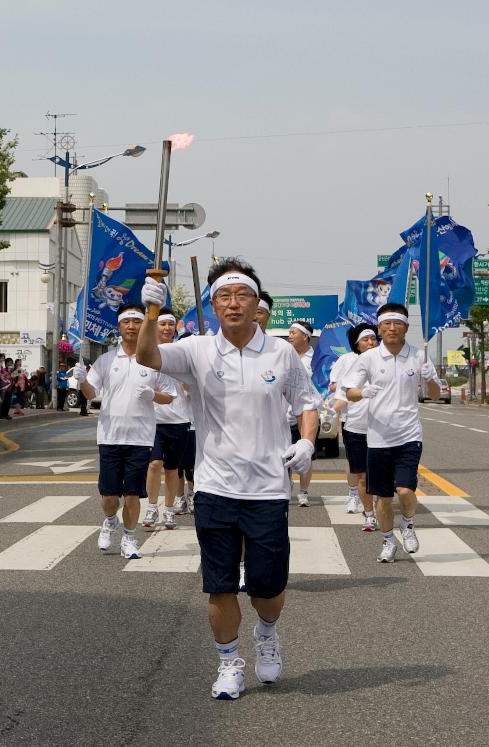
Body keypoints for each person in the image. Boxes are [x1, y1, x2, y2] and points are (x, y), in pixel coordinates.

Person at [138, 259, 320, 700]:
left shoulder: (281, 353)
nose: (234, 304)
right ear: (214, 305)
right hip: (216, 487)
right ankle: (228, 663)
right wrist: (149, 312)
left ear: (257, 305)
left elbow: (306, 403)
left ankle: (267, 631)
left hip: (267, 489)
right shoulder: (197, 350)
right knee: (219, 586)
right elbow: (147, 356)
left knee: (268, 588)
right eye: (224, 297)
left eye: (242, 296)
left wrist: (308, 441)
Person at [75, 303, 175, 560]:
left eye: (136, 321)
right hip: (110, 437)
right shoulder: (106, 360)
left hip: (140, 438)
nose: (131, 326)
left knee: (132, 494)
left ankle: (129, 538)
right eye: (126, 322)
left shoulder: (154, 360)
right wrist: (82, 380)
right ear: (119, 327)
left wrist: (153, 394)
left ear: (144, 326)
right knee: (109, 496)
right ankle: (110, 520)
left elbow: (169, 397)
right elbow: (91, 394)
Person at [343, 303, 439, 564]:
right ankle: (388, 541)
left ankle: (407, 525)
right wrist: (362, 392)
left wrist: (430, 379)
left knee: (405, 490)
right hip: (377, 438)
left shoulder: (418, 356)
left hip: (409, 435)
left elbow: (435, 395)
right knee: (383, 498)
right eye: (386, 324)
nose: (392, 328)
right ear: (379, 327)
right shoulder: (368, 358)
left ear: (406, 327)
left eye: (398, 323)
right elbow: (349, 391)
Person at [329, 323, 379, 530]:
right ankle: (365, 508)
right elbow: (337, 389)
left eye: (373, 339)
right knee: (360, 472)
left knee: (378, 473)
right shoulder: (347, 361)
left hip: (383, 428)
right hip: (354, 424)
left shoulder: (385, 361)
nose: (370, 342)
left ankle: (379, 503)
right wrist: (330, 413)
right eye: (365, 340)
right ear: (356, 344)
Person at [144, 308, 189, 531]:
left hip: (179, 418)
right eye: (162, 324)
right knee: (154, 464)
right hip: (152, 420)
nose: (167, 328)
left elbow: (191, 386)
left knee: (172, 469)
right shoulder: (147, 352)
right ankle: (152, 506)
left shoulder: (182, 352)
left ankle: (169, 510)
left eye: (170, 325)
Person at [286, 319, 316, 507]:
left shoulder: (317, 358)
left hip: (306, 414)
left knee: (306, 454)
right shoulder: (284, 355)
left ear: (305, 336)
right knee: (285, 454)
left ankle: (303, 492)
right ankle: (286, 484)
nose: (289, 335)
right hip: (284, 416)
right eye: (289, 332)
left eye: (293, 332)